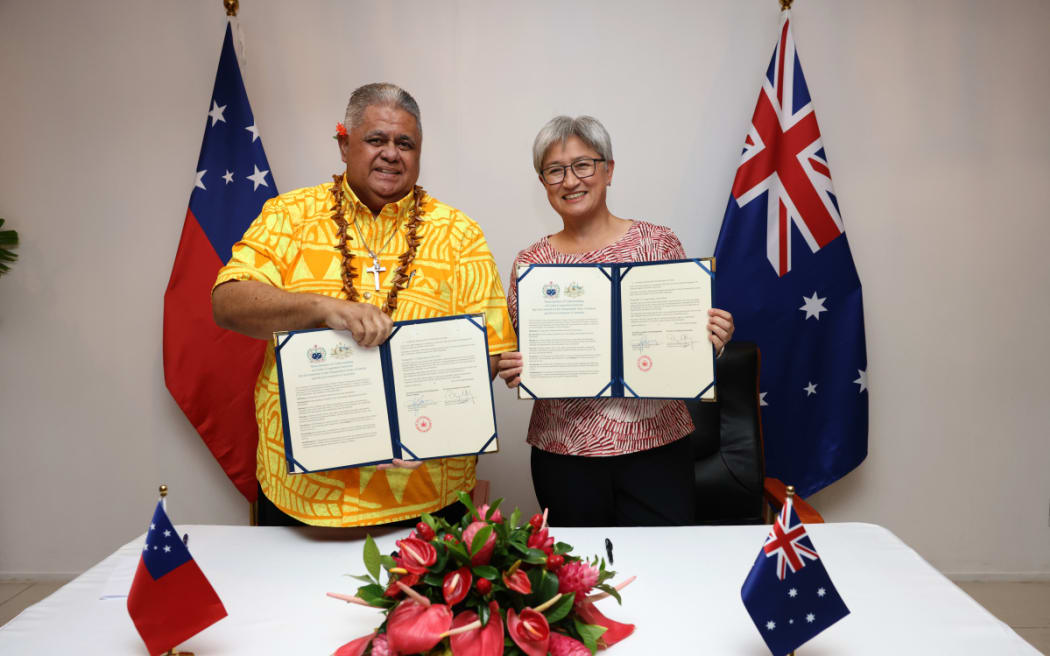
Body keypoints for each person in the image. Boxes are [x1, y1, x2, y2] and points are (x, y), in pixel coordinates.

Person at [212, 83, 516, 527]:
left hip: (428, 495)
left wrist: (427, 424)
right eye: (376, 139)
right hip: (304, 498)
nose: (391, 154)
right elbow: (228, 301)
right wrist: (321, 308)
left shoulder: (459, 234)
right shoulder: (288, 216)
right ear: (344, 143)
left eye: (405, 144)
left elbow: (488, 352)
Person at [496, 115, 735, 527]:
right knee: (578, 580)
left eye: (583, 165)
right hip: (564, 453)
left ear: (608, 170)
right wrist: (510, 365)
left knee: (662, 570)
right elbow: (518, 353)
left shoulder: (656, 243)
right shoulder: (531, 263)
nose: (570, 180)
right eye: (555, 170)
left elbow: (683, 332)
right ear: (543, 183)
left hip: (657, 448)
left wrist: (713, 336)